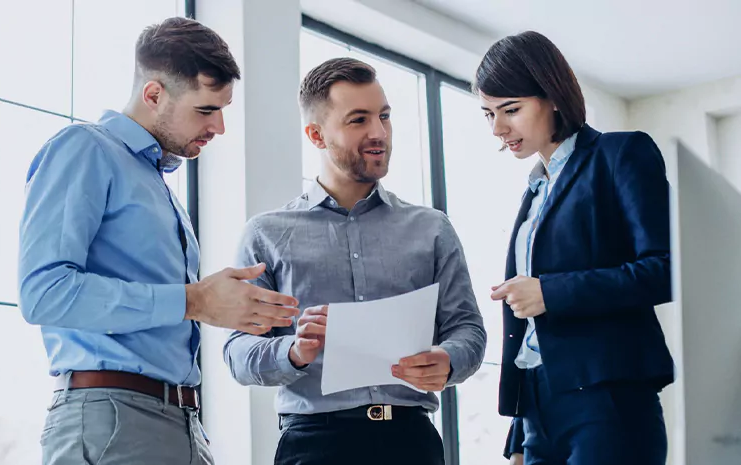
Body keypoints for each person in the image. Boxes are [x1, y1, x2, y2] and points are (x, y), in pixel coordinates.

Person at [17, 17, 299, 465]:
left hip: (181, 422)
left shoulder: (157, 186)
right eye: (206, 110)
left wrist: (220, 305)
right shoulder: (85, 149)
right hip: (114, 421)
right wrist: (193, 301)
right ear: (154, 95)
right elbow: (43, 294)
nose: (220, 127)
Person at [222, 57, 487, 465]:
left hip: (412, 440)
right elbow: (238, 353)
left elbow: (467, 328)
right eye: (358, 119)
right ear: (315, 134)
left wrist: (448, 360)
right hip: (314, 445)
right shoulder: (266, 234)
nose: (379, 133)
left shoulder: (431, 228)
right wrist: (293, 352)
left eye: (384, 116)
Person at [475, 31, 674, 465]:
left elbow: (666, 268)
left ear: (553, 95)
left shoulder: (620, 154)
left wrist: (551, 292)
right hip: (537, 410)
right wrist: (519, 434)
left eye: (511, 109)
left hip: (608, 401)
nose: (498, 128)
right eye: (489, 113)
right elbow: (530, 336)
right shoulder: (533, 193)